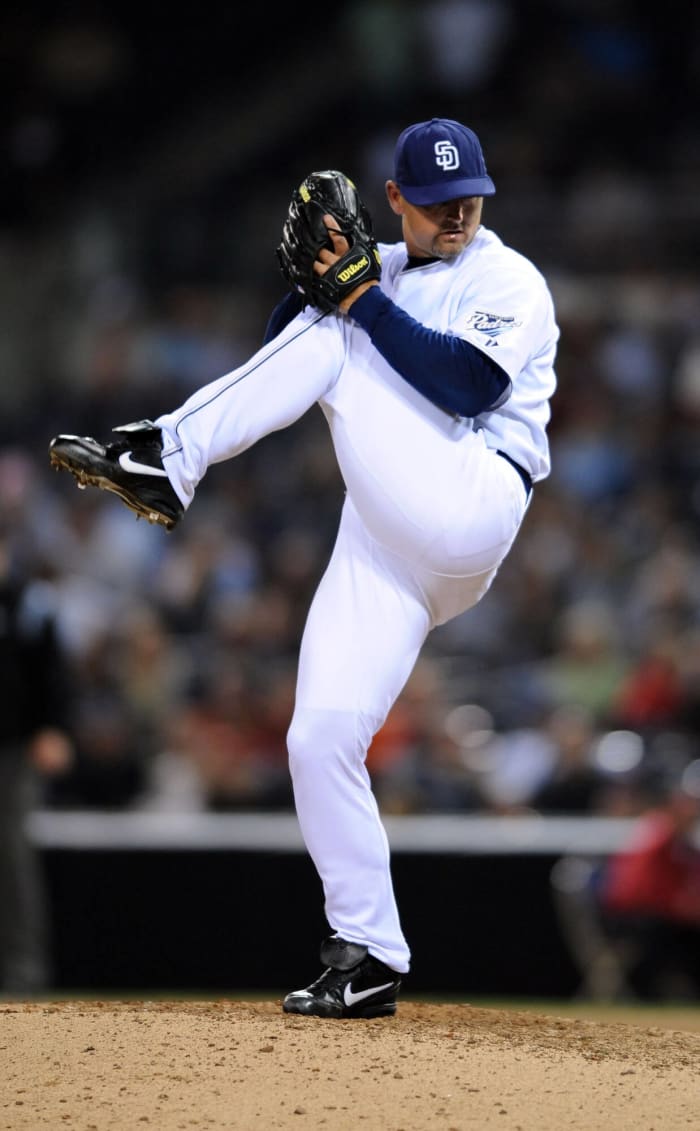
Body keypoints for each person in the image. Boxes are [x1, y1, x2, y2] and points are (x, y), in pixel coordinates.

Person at [48, 117, 559, 1018]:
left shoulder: (508, 276)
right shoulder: (386, 273)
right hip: (384, 536)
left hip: (470, 497)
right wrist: (314, 284)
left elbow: (469, 386)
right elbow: (287, 341)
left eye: (470, 196)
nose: (459, 214)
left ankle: (165, 458)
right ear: (396, 200)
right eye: (437, 202)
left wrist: (352, 297)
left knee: (344, 337)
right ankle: (367, 953)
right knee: (318, 738)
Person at [0, 532, 74, 995]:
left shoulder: (28, 603)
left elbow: (52, 670)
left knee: (12, 859)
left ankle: (24, 974)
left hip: (11, 750)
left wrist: (51, 726)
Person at [598, 768, 700, 999]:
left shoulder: (678, 840)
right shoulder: (658, 835)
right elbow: (633, 892)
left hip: (655, 914)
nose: (694, 811)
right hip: (631, 917)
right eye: (690, 804)